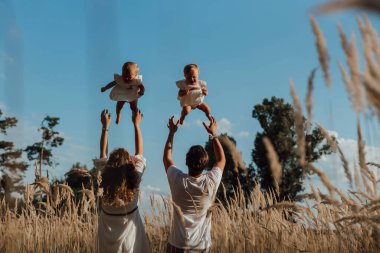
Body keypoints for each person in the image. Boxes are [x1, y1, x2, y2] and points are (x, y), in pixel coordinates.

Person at [163, 116, 226, 252]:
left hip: (177, 244)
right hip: (201, 246)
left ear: (186, 161)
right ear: (205, 164)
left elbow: (167, 158)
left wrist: (172, 132)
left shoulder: (177, 179)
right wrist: (213, 134)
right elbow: (221, 159)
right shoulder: (211, 181)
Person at [94, 109, 151, 253]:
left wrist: (105, 127)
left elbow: (102, 155)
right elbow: (139, 153)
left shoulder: (103, 184)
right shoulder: (134, 182)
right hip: (130, 246)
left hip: (106, 246)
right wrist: (136, 124)